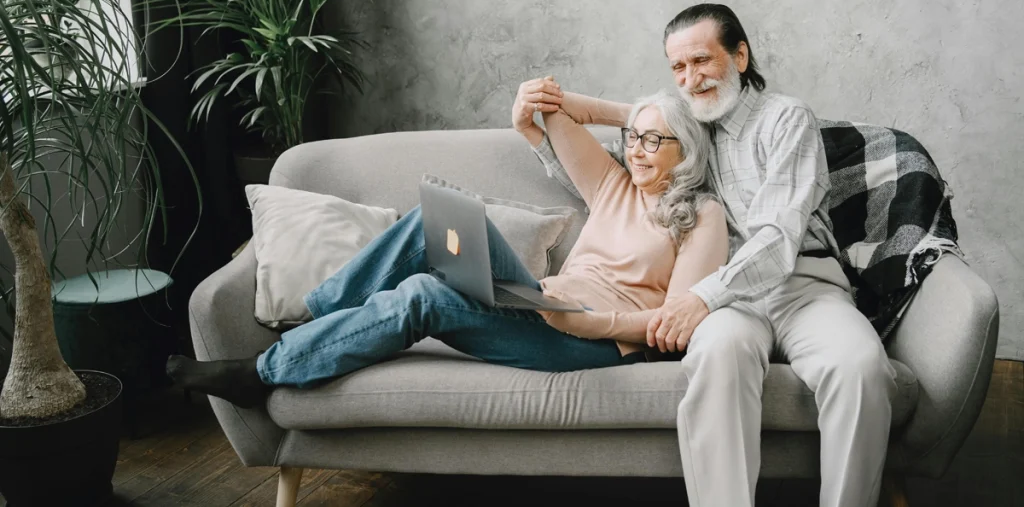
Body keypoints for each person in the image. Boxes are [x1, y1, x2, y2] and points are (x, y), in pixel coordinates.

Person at [527, 4, 898, 507]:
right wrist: (561, 102)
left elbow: (778, 235)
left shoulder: (786, 119)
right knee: (718, 355)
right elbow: (641, 125)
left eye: (701, 61)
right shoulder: (685, 130)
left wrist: (700, 298)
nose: (690, 78)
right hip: (729, 302)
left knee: (860, 365)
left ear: (740, 56)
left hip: (801, 286)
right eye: (677, 68)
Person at [166, 88, 729, 409]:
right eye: (633, 138)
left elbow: (670, 326)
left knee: (423, 296)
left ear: (690, 148)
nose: (638, 150)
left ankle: (261, 373)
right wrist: (645, 112)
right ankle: (311, 319)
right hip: (543, 302)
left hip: (594, 341)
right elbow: (553, 109)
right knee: (429, 223)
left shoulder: (702, 215)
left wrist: (593, 323)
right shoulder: (613, 184)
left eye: (656, 141)